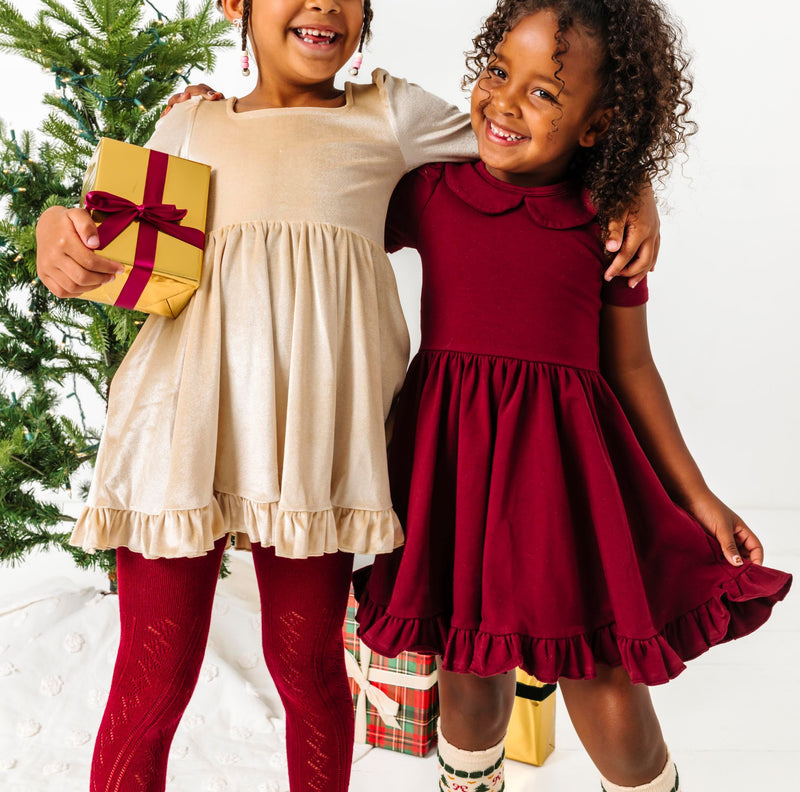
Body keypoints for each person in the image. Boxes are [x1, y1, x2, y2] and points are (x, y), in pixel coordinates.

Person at [34, 1, 660, 790]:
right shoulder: (188, 127)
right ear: (236, 3)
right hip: (178, 435)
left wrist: (636, 186)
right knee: (151, 684)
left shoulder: (393, 118)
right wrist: (57, 224)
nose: (324, 2)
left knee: (308, 675)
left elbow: (541, 137)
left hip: (313, 455)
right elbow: (111, 250)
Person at [354, 2, 793, 792]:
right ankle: (469, 781)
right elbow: (324, 189)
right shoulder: (430, 193)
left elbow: (632, 369)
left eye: (546, 93)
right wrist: (222, 118)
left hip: (564, 484)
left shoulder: (607, 225)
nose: (506, 102)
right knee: (465, 665)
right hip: (452, 469)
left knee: (596, 668)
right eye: (498, 73)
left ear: (599, 125)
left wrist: (698, 497)